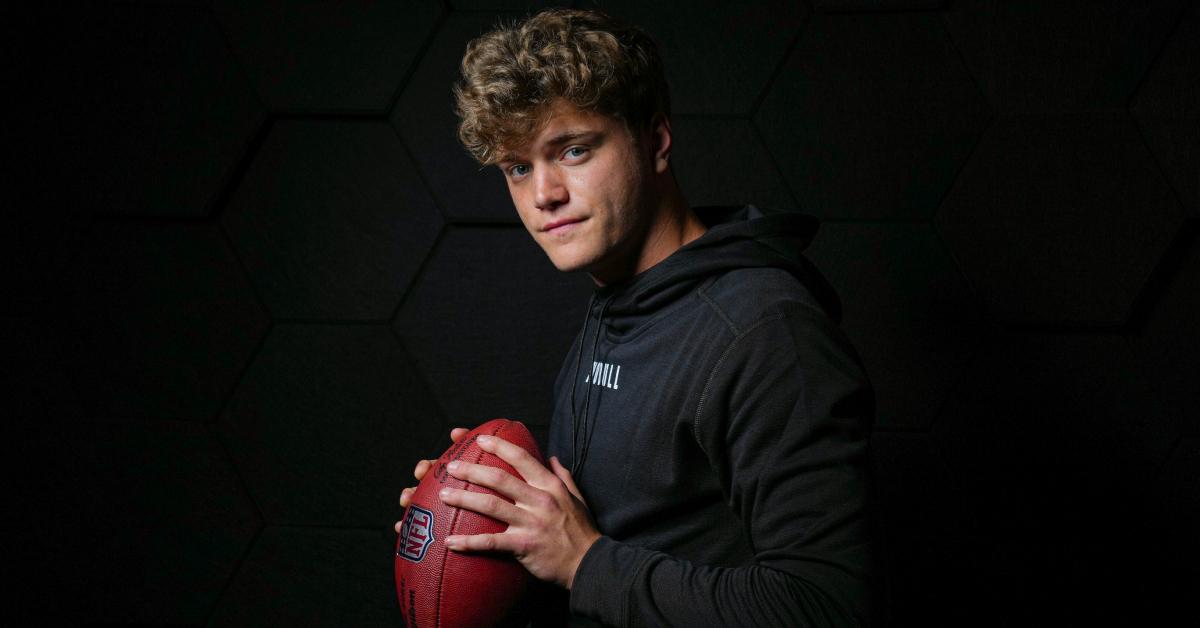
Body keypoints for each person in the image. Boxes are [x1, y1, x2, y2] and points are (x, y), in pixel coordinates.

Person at [395, 8, 881, 626]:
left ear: (655, 141)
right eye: (518, 167)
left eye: (572, 149)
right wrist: (490, 533)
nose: (543, 193)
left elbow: (827, 606)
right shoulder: (616, 310)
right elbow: (625, 551)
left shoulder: (766, 334)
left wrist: (583, 559)